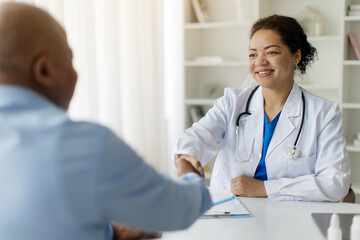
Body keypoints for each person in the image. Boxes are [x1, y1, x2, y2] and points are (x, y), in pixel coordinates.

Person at [0, 2, 212, 240]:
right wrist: (188, 174)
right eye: (70, 61)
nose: (76, 74)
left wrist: (112, 233)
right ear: (44, 71)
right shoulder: (81, 145)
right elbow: (177, 210)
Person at [173, 15, 351, 202]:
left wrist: (264, 188)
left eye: (271, 52)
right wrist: (188, 155)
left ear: (296, 56)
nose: (260, 61)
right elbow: (199, 135)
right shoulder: (232, 102)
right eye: (252, 54)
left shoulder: (323, 113)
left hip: (291, 218)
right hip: (229, 213)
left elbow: (335, 182)